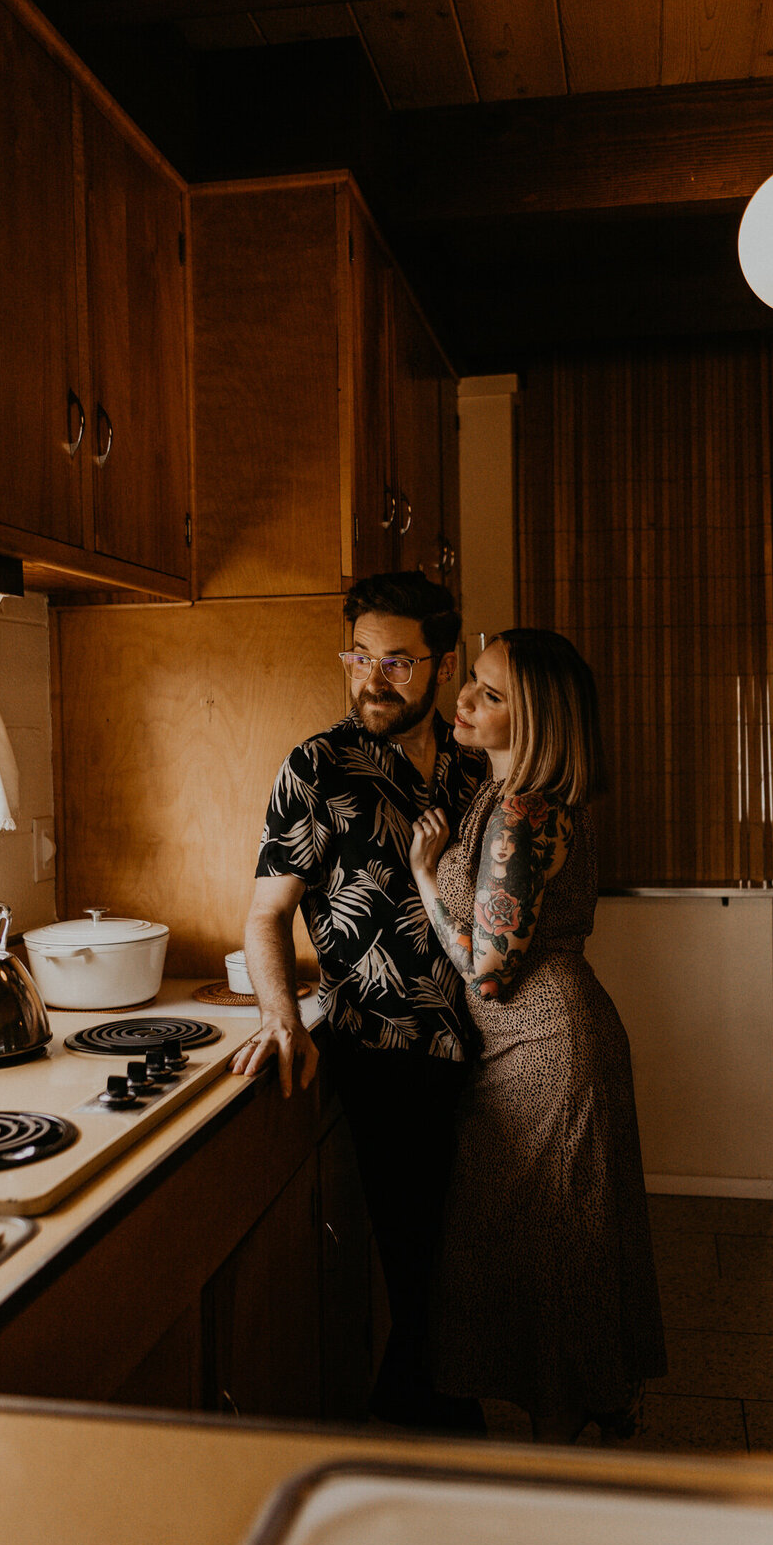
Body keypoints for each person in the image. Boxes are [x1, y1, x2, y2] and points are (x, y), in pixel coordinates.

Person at [230, 572, 488, 1431]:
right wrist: (278, 1018)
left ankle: (429, 1434)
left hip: (488, 1055)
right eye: (359, 657)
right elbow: (265, 916)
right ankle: (421, 1445)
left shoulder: (473, 769)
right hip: (382, 1056)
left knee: (462, 1267)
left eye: (397, 662)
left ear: (441, 667)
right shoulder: (315, 767)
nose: (372, 679)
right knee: (420, 1272)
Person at [409, 628, 667, 1442]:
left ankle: (554, 1463)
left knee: (549, 1255)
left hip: (545, 1050)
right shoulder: (503, 792)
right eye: (473, 684)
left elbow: (487, 972)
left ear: (537, 718)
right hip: (535, 1045)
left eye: (489, 694)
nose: (464, 700)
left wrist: (423, 876)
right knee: (551, 1245)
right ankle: (595, 1403)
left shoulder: (522, 809)